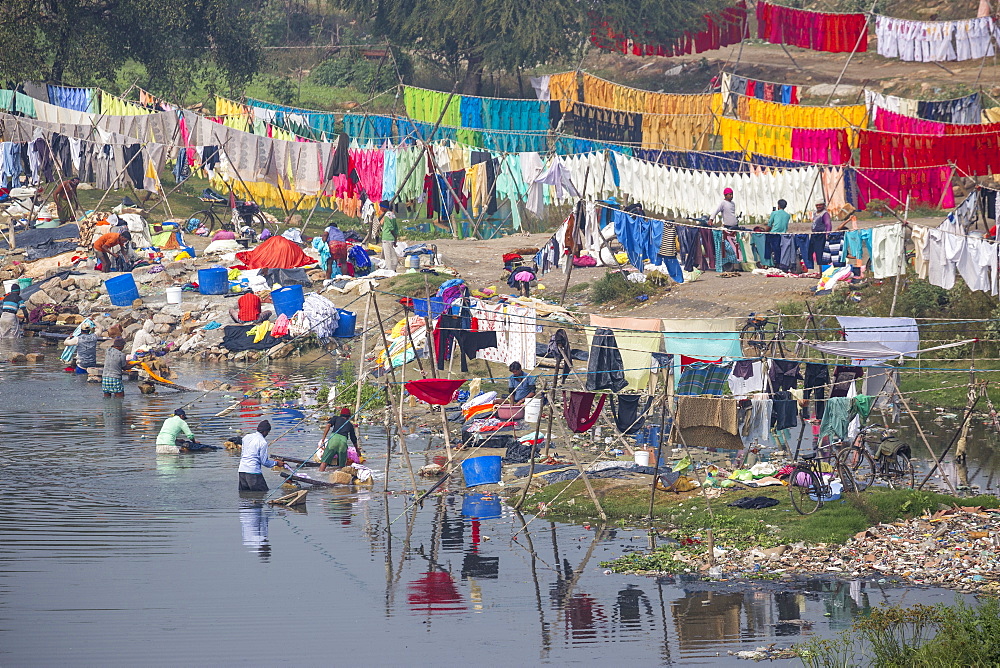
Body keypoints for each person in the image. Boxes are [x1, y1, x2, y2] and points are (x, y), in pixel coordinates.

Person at [238, 420, 284, 491]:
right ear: (266, 431)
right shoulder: (262, 442)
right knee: (262, 494)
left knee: (245, 497)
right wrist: (277, 463)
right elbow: (264, 462)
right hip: (253, 472)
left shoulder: (246, 437)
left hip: (242, 470)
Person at [317, 407, 359, 471]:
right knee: (342, 465)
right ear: (348, 417)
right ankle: (339, 477)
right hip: (343, 442)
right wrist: (357, 450)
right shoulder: (350, 425)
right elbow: (353, 439)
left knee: (324, 462)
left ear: (341, 414)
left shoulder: (336, 418)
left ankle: (319, 475)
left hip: (333, 440)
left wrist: (323, 439)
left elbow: (328, 425)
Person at [806, 201, 832, 270]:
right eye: (817, 205)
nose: (818, 206)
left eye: (820, 205)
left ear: (823, 205)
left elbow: (828, 224)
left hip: (821, 236)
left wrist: (827, 234)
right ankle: (819, 270)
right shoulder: (815, 213)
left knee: (820, 254)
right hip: (814, 235)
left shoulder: (825, 214)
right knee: (812, 252)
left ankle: (822, 272)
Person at [380, 202, 399, 272]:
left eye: (381, 207)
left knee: (388, 256)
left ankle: (390, 270)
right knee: (384, 255)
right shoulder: (393, 215)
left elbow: (391, 228)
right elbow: (396, 228)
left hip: (387, 237)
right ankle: (383, 267)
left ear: (384, 207)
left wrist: (393, 236)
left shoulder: (386, 216)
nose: (380, 209)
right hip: (391, 239)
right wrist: (395, 239)